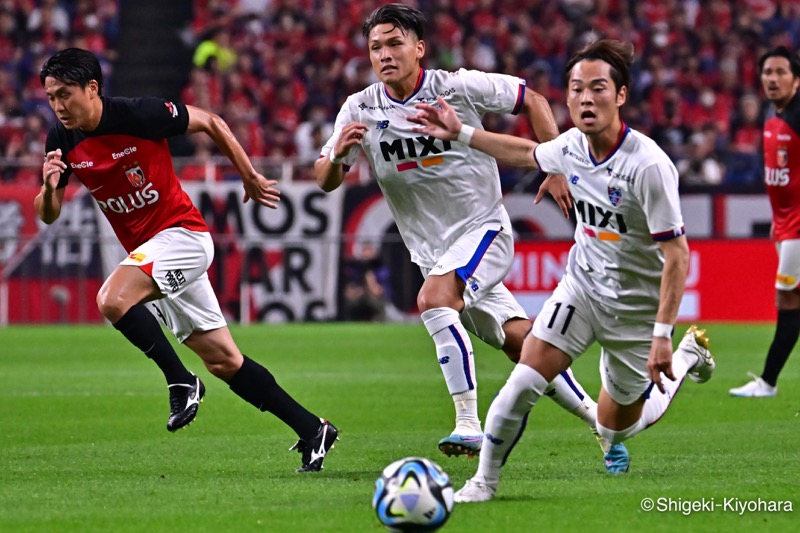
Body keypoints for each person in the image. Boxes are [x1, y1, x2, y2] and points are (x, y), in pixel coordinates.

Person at [314, 3, 629, 471]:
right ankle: (605, 427)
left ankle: (468, 422)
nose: (384, 54)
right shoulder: (359, 108)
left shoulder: (455, 86)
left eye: (395, 43)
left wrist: (557, 167)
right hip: (434, 253)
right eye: (376, 46)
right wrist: (338, 156)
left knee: (434, 301)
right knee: (524, 343)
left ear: (419, 48)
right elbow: (324, 179)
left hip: (485, 231)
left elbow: (534, 100)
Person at [409, 38, 715, 502]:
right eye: (576, 89)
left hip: (635, 310)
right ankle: (483, 483)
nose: (586, 99)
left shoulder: (649, 166)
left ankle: (688, 357)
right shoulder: (570, 146)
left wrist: (663, 335)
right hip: (581, 291)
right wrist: (462, 134)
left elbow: (677, 255)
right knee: (524, 379)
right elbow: (522, 152)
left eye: (598, 88)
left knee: (618, 427)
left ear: (621, 95)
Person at [35, 48, 338, 472]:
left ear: (92, 88)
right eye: (50, 97)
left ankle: (180, 380)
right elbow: (48, 213)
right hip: (149, 256)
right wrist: (50, 188)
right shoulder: (60, 138)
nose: (58, 106)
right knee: (224, 361)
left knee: (111, 300)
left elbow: (211, 122)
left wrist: (248, 176)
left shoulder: (139, 115)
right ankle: (312, 429)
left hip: (183, 237)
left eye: (64, 94)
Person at [730, 46, 800, 397]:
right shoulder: (773, 117)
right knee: (791, 300)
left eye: (780, 72)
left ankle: (768, 382)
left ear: (797, 79)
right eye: (767, 72)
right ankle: (767, 381)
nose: (772, 78)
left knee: (787, 299)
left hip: (798, 230)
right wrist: (779, 219)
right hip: (786, 226)